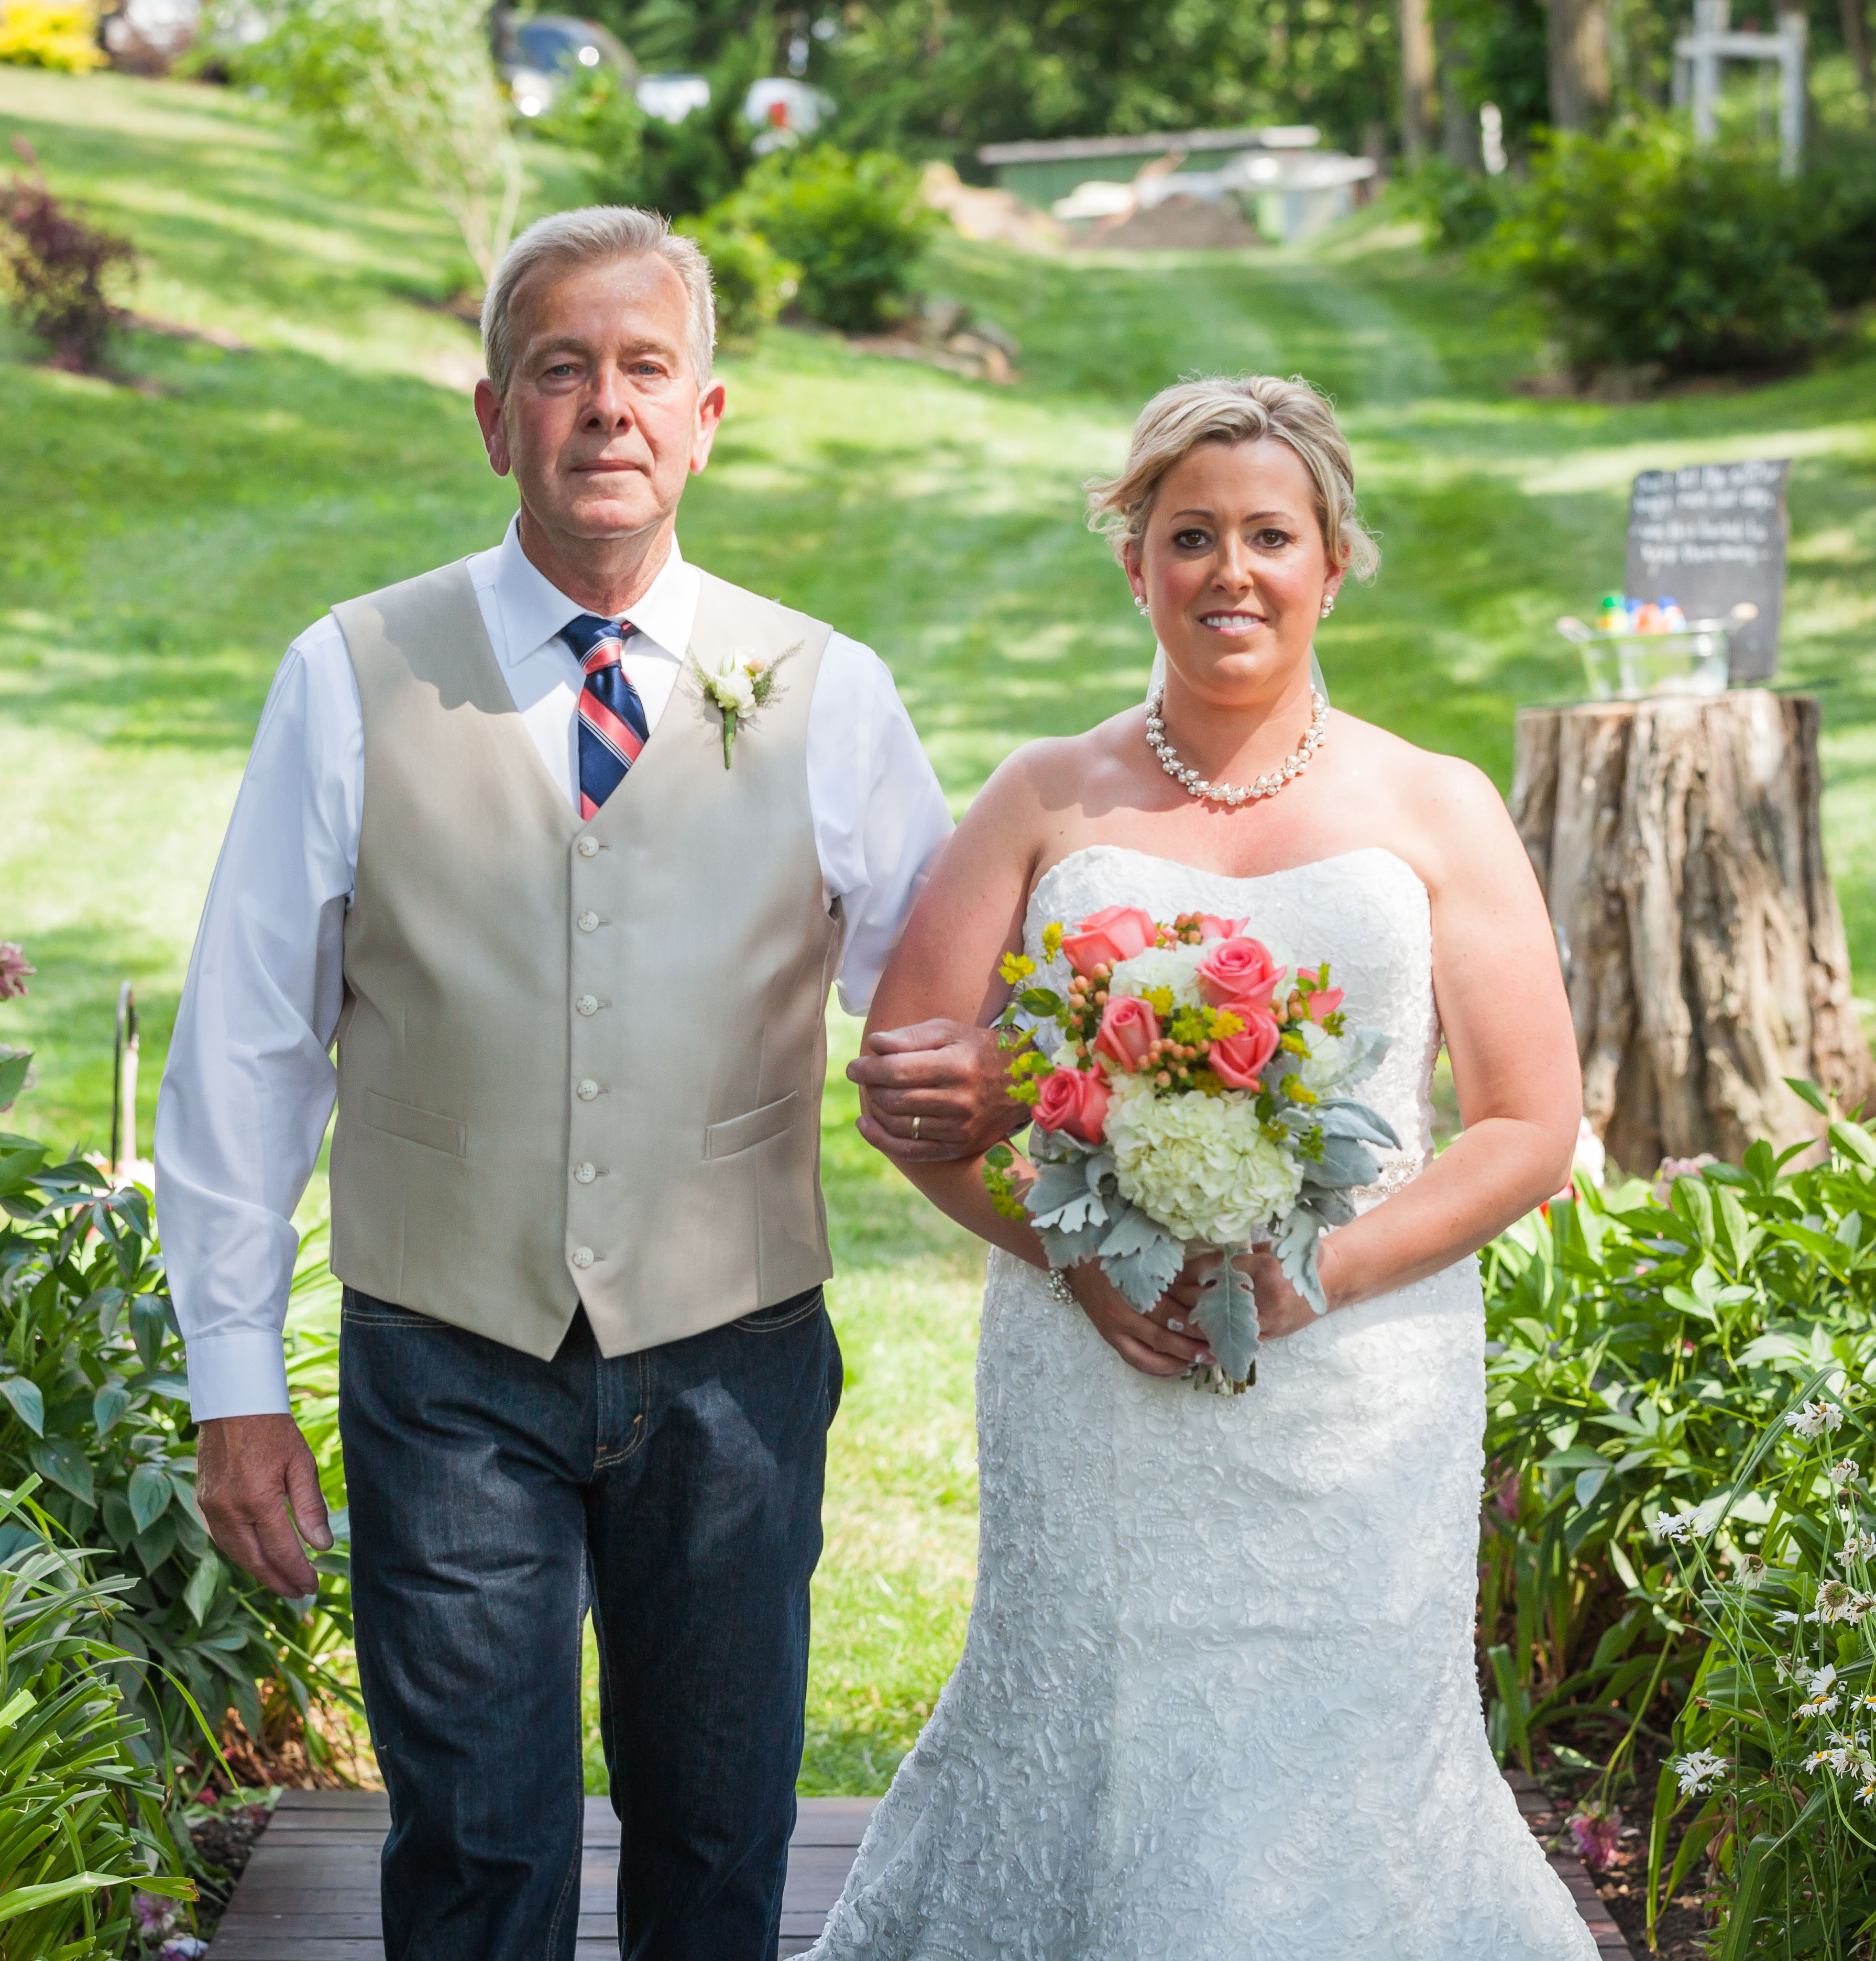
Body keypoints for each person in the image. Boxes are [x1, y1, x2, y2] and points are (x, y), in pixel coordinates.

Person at [159, 206, 1014, 1961]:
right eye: (561, 370)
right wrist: (234, 1382)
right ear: (495, 418)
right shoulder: (350, 674)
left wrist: (1006, 1075)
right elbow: (248, 1041)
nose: (606, 406)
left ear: (706, 419)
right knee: (475, 1847)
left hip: (735, 1358)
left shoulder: (828, 692)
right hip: (446, 1353)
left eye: (644, 370)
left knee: (719, 1840)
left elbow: (940, 1015)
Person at [803, 375, 1598, 1958]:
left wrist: (1317, 1277)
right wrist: (1073, 1259)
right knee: (1084, 1712)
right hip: (1094, 1369)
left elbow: (1530, 1124)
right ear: (1135, 564)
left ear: (1334, 562)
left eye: (1270, 536)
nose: (1231, 571)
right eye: (1189, 537)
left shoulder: (1435, 805)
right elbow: (909, 1096)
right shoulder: (1045, 795)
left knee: (1345, 1746)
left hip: (1360, 1378)